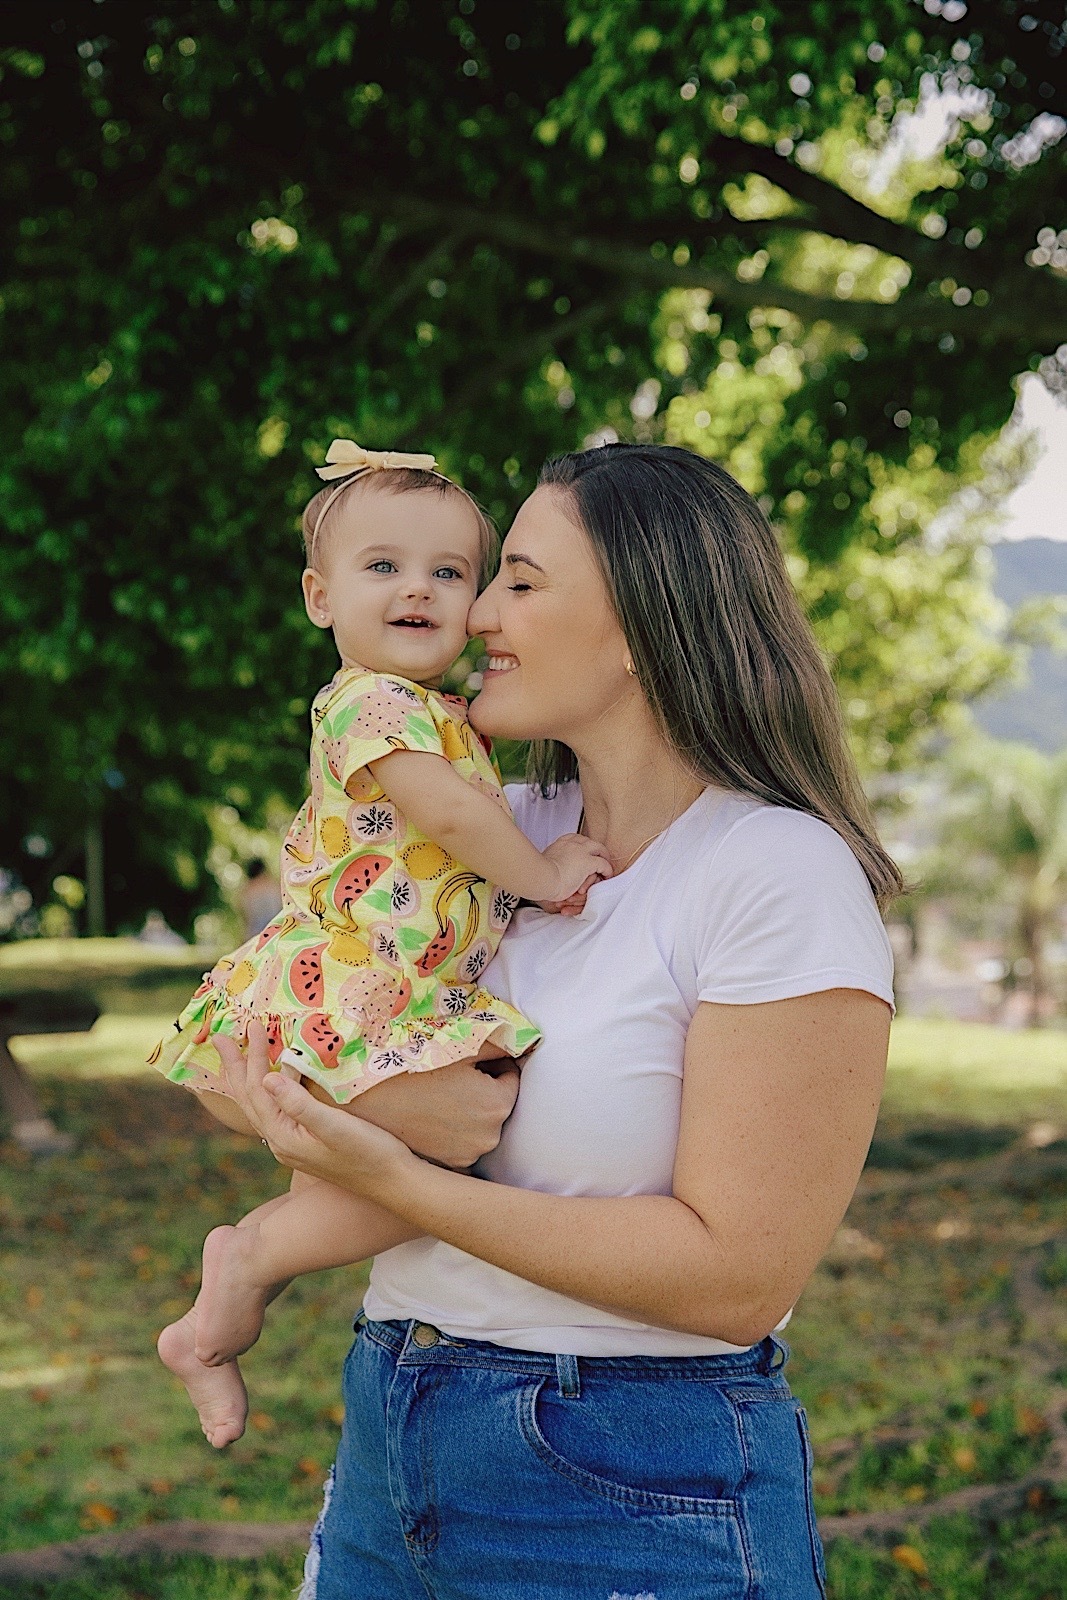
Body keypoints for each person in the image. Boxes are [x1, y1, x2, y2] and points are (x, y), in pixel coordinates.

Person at [218, 441, 900, 1600]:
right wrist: (358, 1106)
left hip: (627, 1479)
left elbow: (734, 1275)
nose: (474, 610)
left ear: (640, 622)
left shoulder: (770, 872)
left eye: (518, 581)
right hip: (393, 1427)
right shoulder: (484, 832)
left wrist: (398, 1169)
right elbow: (236, 1037)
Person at [151, 441, 609, 1448]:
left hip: (391, 990)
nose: (419, 589)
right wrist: (540, 874)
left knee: (401, 1189)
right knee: (444, 1169)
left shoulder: (446, 714)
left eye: (448, 572)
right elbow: (446, 815)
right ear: (320, 598)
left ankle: (213, 1321)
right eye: (383, 567)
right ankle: (243, 1266)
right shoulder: (369, 705)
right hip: (348, 989)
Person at [237, 859, 282, 943]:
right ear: (263, 870)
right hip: (276, 933)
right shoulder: (275, 886)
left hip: (254, 937)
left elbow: (246, 919)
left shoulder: (246, 892)